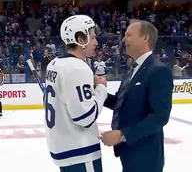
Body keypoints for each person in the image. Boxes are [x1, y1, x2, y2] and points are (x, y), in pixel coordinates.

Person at [100, 20, 173, 172]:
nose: (123, 39)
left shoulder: (158, 71)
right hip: (128, 151)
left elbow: (159, 117)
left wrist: (122, 135)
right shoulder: (131, 68)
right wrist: (98, 90)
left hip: (145, 156)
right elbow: (121, 103)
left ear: (145, 38)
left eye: (128, 35)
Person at [44, 15, 108, 172]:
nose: (96, 42)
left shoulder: (54, 64)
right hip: (81, 151)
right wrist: (101, 88)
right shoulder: (78, 68)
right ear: (80, 39)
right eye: (92, 38)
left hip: (62, 148)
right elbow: (85, 117)